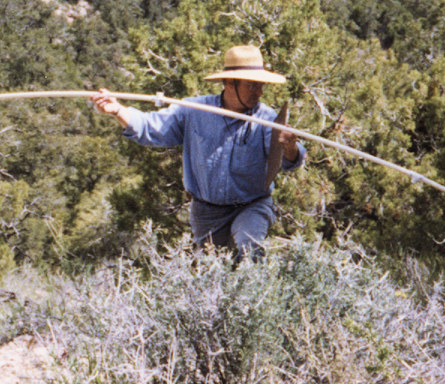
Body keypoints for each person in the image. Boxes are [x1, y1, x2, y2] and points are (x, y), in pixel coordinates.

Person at [92, 45, 304, 260]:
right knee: (211, 270)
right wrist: (118, 110)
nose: (259, 92)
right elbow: (150, 127)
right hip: (207, 213)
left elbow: (290, 161)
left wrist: (290, 148)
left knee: (249, 251)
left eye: (261, 86)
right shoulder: (194, 110)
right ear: (230, 83)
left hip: (252, 205)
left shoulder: (267, 119)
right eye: (252, 86)